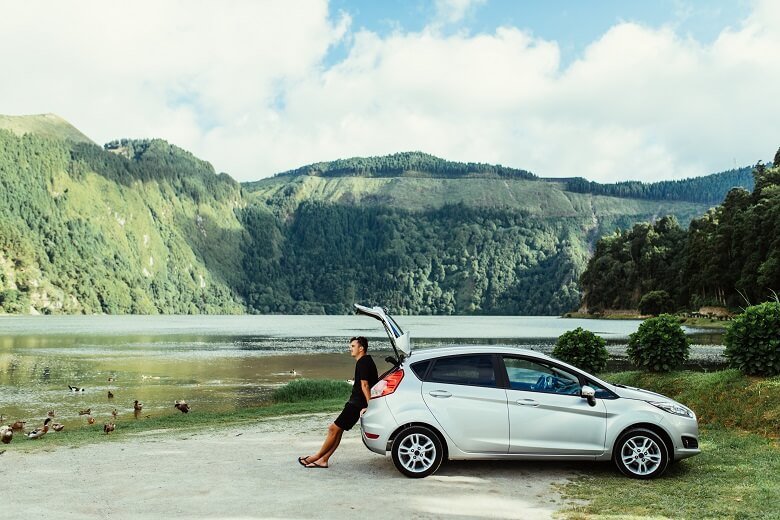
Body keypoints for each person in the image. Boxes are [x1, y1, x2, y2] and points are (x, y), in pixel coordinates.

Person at [298, 336, 378, 469]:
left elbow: (365, 385)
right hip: (356, 403)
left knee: (333, 429)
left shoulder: (363, 362)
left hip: (356, 404)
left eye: (353, 346)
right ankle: (324, 460)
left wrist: (370, 406)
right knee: (338, 431)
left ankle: (315, 457)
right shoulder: (367, 361)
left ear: (361, 348)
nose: (350, 349)